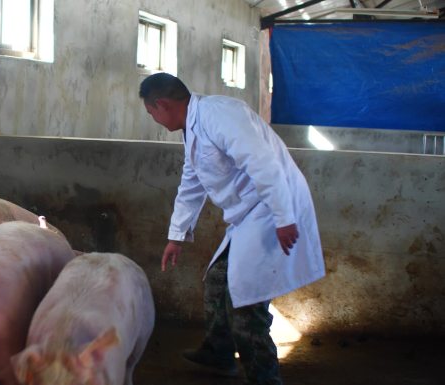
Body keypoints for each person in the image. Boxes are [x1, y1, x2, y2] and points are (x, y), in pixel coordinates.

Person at [139, 72, 325, 385]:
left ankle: (264, 378)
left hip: (270, 209)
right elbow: (192, 183)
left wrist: (283, 217)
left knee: (247, 303)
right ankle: (218, 353)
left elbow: (263, 163)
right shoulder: (193, 129)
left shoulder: (220, 115)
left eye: (151, 113)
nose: (154, 119)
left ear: (162, 104)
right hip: (250, 215)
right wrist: (176, 236)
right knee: (217, 279)